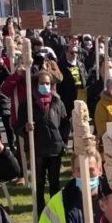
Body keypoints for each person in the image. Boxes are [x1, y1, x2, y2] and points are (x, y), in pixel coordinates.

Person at [25, 69, 71, 198]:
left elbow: (65, 124)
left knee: (54, 183)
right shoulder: (28, 104)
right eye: (42, 83)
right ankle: (40, 211)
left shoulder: (57, 102)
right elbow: (18, 125)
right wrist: (25, 128)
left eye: (48, 83)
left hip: (55, 148)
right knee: (39, 183)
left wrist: (63, 142)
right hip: (38, 149)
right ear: (36, 84)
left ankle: (54, 210)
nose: (45, 86)